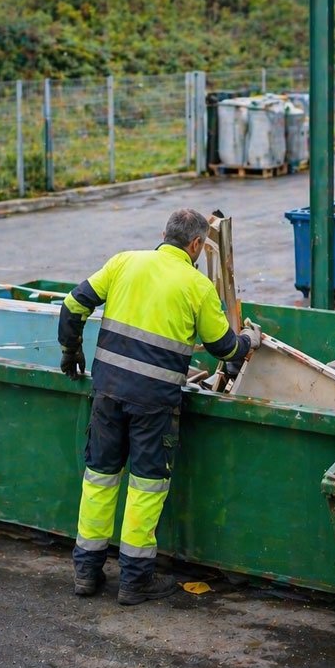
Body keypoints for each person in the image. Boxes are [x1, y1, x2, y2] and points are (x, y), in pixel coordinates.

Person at [57, 208, 262, 605]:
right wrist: (250, 341)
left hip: (108, 393)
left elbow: (72, 305)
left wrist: (71, 351)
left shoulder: (123, 263)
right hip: (153, 404)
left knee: (99, 478)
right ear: (197, 245)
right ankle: (135, 580)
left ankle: (86, 572)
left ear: (163, 234)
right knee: (146, 487)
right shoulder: (196, 285)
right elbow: (224, 347)